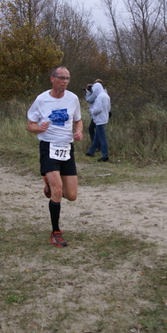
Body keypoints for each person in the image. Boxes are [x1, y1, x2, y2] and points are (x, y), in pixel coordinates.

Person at [27, 66, 83, 247]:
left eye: (67, 78)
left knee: (72, 195)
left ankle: (48, 185)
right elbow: (30, 125)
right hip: (49, 147)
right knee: (58, 190)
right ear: (52, 79)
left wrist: (79, 131)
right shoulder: (42, 100)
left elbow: (78, 119)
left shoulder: (73, 98)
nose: (65, 82)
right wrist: (39, 128)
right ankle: (55, 231)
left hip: (66, 148)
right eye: (61, 78)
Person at [85, 82, 111, 162]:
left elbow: (97, 109)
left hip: (99, 119)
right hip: (104, 118)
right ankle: (91, 151)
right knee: (96, 137)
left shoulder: (100, 97)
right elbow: (109, 108)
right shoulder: (106, 96)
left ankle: (105, 156)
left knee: (102, 138)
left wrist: (91, 110)